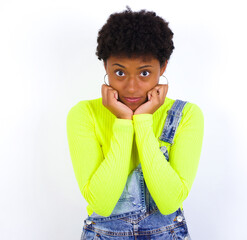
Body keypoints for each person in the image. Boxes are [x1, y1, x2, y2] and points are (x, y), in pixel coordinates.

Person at [66, 6, 204, 240]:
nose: (131, 88)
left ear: (163, 67)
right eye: (119, 73)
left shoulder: (187, 115)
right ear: (105, 66)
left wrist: (142, 120)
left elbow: (169, 202)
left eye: (144, 73)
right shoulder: (84, 114)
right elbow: (103, 203)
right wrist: (123, 120)